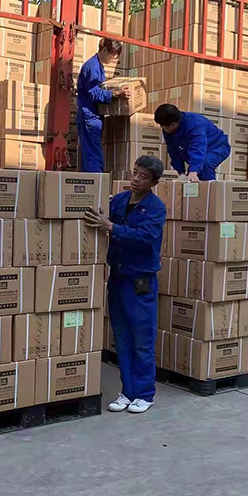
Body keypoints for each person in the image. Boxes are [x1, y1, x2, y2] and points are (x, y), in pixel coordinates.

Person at [85, 155, 166, 413]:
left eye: (143, 177)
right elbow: (103, 216)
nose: (136, 179)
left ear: (153, 182)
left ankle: (144, 393)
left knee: (141, 338)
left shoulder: (155, 208)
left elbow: (145, 237)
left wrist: (112, 227)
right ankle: (127, 391)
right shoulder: (120, 200)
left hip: (140, 281)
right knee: (121, 336)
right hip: (118, 278)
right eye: (135, 173)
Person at [77, 38, 130, 172]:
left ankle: (96, 180)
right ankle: (96, 182)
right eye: (113, 55)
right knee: (92, 154)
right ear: (105, 49)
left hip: (93, 115)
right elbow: (94, 92)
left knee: (93, 151)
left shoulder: (98, 65)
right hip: (89, 116)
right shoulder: (93, 66)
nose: (113, 59)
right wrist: (114, 94)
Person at [154, 103, 231, 181]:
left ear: (173, 123)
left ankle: (210, 188)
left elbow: (197, 147)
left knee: (204, 165)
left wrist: (194, 171)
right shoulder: (168, 129)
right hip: (201, 149)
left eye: (164, 127)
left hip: (218, 146)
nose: (163, 129)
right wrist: (181, 173)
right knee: (190, 177)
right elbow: (173, 151)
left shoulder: (195, 124)